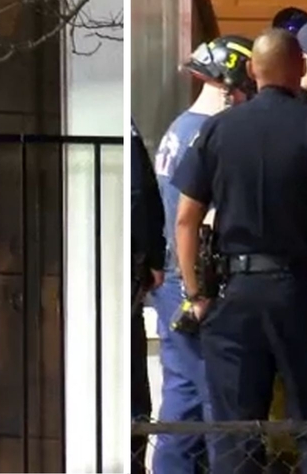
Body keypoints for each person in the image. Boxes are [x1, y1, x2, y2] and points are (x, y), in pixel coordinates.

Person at [171, 28, 307, 474]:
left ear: (251, 69)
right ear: (299, 69)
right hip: (302, 289)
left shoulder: (218, 129)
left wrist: (196, 293)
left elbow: (185, 219)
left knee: (236, 435)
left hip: (234, 293)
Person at [151, 34, 255, 474]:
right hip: (199, 283)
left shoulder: (180, 128)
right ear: (232, 85)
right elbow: (199, 220)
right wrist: (202, 292)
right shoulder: (207, 136)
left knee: (183, 402)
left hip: (175, 281)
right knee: (218, 401)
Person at [130, 119, 166, 474]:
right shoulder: (124, 128)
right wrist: (153, 258)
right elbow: (139, 193)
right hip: (124, 270)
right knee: (131, 388)